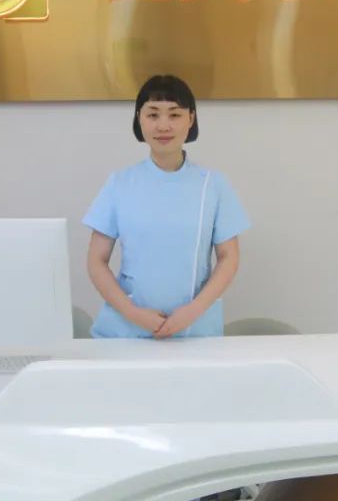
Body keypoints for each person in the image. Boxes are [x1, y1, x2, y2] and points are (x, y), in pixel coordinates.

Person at [83, 74, 250, 339]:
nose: (163, 125)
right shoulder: (119, 183)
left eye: (174, 114)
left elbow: (229, 257)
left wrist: (193, 311)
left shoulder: (213, 185)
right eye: (153, 115)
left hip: (194, 331)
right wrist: (133, 313)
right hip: (125, 333)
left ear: (191, 119)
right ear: (139, 119)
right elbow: (96, 260)